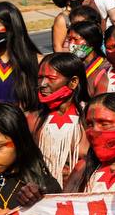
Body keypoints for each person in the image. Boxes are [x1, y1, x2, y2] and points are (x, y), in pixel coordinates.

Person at [28, 52, 87, 185]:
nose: (42, 84)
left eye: (51, 78)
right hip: (46, 195)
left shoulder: (90, 116)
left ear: (73, 82)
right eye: (40, 78)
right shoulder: (32, 119)